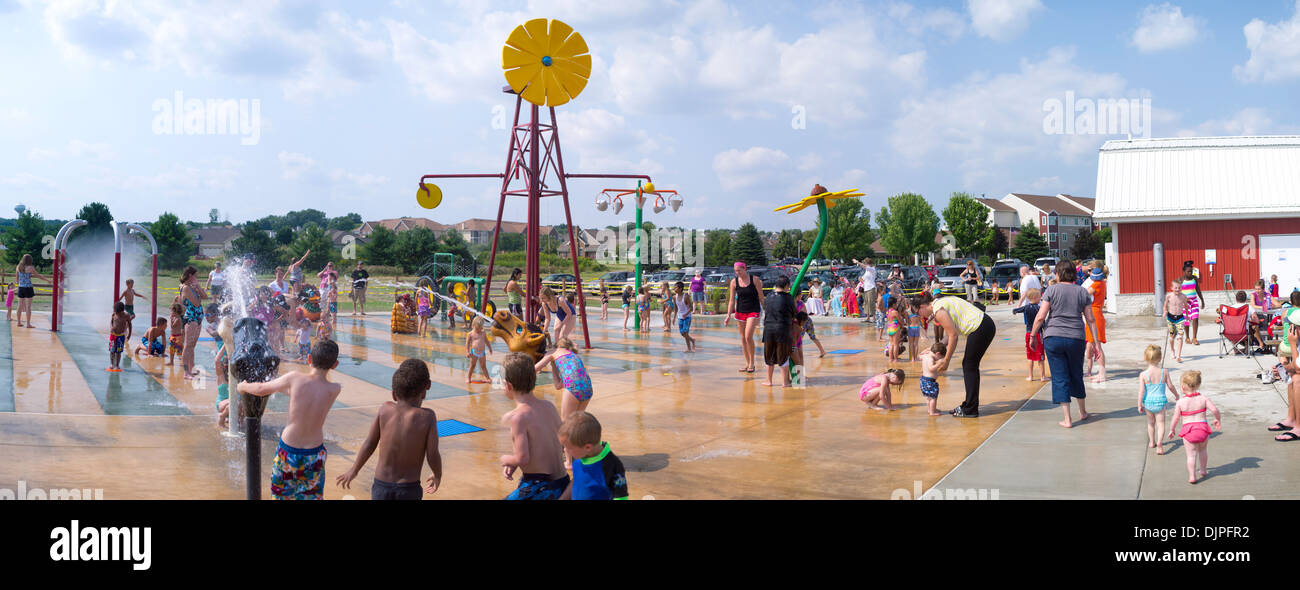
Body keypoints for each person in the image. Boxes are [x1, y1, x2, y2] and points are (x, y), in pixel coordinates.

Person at [238, 339, 342, 500]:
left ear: (309, 359)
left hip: (289, 451)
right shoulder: (334, 389)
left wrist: (243, 386)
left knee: (281, 495)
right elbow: (312, 395)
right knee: (310, 496)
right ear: (335, 365)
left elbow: (260, 389)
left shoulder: (295, 378)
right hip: (314, 454)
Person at [336, 358, 443, 500]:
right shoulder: (427, 417)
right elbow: (432, 454)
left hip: (381, 487)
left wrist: (354, 470)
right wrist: (437, 474)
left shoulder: (385, 409)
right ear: (427, 388)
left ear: (393, 394)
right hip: (409, 489)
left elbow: (369, 444)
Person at [1029, 262, 1100, 428]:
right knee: (1076, 373)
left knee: (1060, 377)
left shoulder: (1051, 290)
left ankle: (1067, 419)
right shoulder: (1082, 291)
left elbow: (1041, 316)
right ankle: (1082, 412)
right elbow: (1090, 319)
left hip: (1053, 338)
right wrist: (1096, 343)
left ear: (1058, 274)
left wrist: (1033, 335)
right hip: (1076, 338)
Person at [911, 293, 996, 418]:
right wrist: (932, 348)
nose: (919, 316)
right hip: (983, 326)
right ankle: (969, 405)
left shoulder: (938, 310)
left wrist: (946, 360)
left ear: (923, 306)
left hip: (980, 328)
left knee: (969, 366)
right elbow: (948, 335)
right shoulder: (939, 305)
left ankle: (971, 409)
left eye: (918, 312)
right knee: (970, 365)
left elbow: (953, 336)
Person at [499, 352, 568, 500]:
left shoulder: (518, 417)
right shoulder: (549, 406)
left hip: (540, 488)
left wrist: (506, 459)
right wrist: (515, 463)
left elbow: (522, 458)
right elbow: (560, 443)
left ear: (508, 385)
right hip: (562, 483)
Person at [558, 412, 628, 501]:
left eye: (568, 448)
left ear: (587, 447)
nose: (564, 450)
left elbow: (621, 497)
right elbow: (578, 480)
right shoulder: (580, 456)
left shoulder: (612, 466)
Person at [1166, 371, 1220, 484]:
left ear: (1182, 387)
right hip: (1203, 429)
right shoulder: (1204, 398)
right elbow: (1214, 410)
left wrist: (1172, 429)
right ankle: (1204, 470)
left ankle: (1192, 476)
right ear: (1198, 384)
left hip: (1188, 431)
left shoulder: (1181, 402)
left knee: (1191, 455)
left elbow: (1175, 418)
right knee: (1203, 450)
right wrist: (1217, 419)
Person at [534, 337, 593, 420]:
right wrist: (553, 365)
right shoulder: (573, 357)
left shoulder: (553, 352)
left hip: (573, 386)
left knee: (565, 423)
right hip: (587, 387)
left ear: (557, 346)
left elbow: (535, 368)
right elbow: (558, 386)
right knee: (576, 423)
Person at [1269, 292, 1300, 440]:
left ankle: (1299, 427)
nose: (1290, 327)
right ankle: (1292, 419)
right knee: (1292, 376)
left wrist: (1293, 344)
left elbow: (1299, 366)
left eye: (1293, 325)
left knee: (1297, 379)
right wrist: (1284, 369)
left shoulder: (1295, 341)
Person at [1138, 344, 1179, 455]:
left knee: (1150, 423)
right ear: (1160, 358)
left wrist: (1139, 404)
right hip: (1160, 403)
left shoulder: (1143, 374)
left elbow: (1141, 391)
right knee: (1160, 424)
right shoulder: (1164, 372)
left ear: (1145, 358)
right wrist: (1176, 395)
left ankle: (1152, 442)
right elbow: (1170, 386)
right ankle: (1160, 444)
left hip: (1148, 403)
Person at [725, 262, 765, 373]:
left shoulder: (755, 280)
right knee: (743, 338)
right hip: (740, 311)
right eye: (735, 271)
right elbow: (732, 300)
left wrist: (767, 310)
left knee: (748, 336)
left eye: (739, 270)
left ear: (745, 268)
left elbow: (761, 297)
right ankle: (747, 363)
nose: (737, 273)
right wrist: (728, 314)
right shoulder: (734, 282)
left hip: (753, 310)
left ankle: (752, 363)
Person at [760, 276, 796, 387]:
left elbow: (766, 310)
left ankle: (769, 381)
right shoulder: (788, 298)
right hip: (783, 330)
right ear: (786, 286)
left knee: (769, 356)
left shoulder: (769, 297)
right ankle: (785, 382)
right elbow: (793, 313)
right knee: (783, 356)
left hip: (768, 330)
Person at [178, 266, 207, 380]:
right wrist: (198, 288)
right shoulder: (185, 287)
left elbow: (205, 296)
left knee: (192, 345)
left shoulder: (191, 286)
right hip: (191, 319)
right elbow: (196, 303)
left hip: (198, 318)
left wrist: (198, 289)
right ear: (190, 275)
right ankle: (186, 372)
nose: (197, 278)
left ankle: (191, 368)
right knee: (188, 345)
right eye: (196, 276)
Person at [1012, 288, 1047, 382]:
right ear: (1035, 297)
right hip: (1037, 334)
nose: (1041, 298)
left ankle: (1030, 376)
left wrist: (1014, 311)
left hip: (1028, 333)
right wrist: (1045, 329)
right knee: (1040, 356)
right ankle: (1042, 377)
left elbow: (1016, 310)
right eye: (1040, 296)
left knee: (1030, 356)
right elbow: (1041, 320)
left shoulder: (1026, 307)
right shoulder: (1038, 308)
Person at [1083, 265, 1108, 382]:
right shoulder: (1102, 283)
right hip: (1094, 313)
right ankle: (1100, 372)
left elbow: (1085, 294)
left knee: (1097, 346)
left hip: (1095, 314)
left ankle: (1102, 374)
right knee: (1093, 345)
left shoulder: (1096, 284)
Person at [13, 254, 47, 329]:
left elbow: (17, 279)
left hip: (21, 287)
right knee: (28, 307)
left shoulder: (18, 267)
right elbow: (38, 276)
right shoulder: (30, 268)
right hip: (28, 288)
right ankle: (28, 324)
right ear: (30, 260)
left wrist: (19, 284)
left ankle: (18, 322)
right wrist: (47, 280)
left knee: (19, 305)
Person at [1164, 281, 1188, 363]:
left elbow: (1186, 306)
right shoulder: (1169, 296)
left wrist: (1187, 316)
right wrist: (1164, 311)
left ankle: (1178, 356)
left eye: (1179, 288)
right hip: (1170, 318)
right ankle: (1172, 350)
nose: (1178, 289)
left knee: (1180, 336)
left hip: (1180, 318)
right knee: (1171, 337)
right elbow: (1165, 306)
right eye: (1176, 288)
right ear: (1172, 288)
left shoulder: (1183, 296)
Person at [919, 341, 945, 416]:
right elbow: (931, 368)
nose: (939, 359)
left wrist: (926, 350)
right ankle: (932, 412)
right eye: (940, 357)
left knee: (928, 398)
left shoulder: (925, 355)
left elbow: (919, 355)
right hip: (930, 382)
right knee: (933, 397)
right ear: (937, 353)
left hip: (924, 380)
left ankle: (930, 409)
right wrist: (938, 364)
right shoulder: (931, 359)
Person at [1180, 266, 1204, 345]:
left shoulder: (1195, 279)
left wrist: (1202, 300)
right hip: (1185, 303)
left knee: (1195, 318)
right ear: (1184, 271)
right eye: (1188, 271)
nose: (1190, 273)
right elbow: (1177, 292)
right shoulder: (1181, 280)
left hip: (1194, 301)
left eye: (1191, 271)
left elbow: (1198, 290)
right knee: (1186, 320)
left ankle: (1194, 338)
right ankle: (1187, 337)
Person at [466, 317, 492, 384]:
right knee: (472, 365)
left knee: (483, 366)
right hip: (474, 352)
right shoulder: (470, 334)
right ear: (473, 325)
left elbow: (486, 341)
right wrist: (467, 352)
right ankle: (468, 378)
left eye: (480, 328)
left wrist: (490, 348)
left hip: (482, 353)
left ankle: (488, 378)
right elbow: (468, 343)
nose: (479, 330)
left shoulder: (483, 332)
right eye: (477, 328)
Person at [853, 258, 877, 323]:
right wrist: (860, 278)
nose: (864, 264)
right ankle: (868, 318)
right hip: (866, 288)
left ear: (868, 263)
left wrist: (857, 262)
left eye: (865, 263)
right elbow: (863, 278)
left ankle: (874, 318)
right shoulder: (867, 271)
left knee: (871, 302)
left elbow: (864, 266)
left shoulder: (872, 269)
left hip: (871, 288)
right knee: (866, 303)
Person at [673, 281, 695, 352]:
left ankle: (689, 348)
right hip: (680, 317)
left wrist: (686, 314)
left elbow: (691, 308)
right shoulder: (674, 297)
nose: (674, 289)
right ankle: (692, 340)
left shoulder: (685, 297)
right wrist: (674, 318)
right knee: (682, 333)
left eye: (675, 287)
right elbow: (676, 308)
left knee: (685, 333)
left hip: (687, 317)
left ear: (680, 288)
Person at [107, 302, 129, 372]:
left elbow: (130, 324)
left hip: (121, 336)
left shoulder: (126, 315)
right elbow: (111, 321)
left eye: (119, 313)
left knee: (118, 351)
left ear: (122, 311)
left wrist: (129, 334)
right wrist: (111, 327)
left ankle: (117, 365)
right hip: (113, 336)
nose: (117, 314)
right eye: (116, 312)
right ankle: (111, 364)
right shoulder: (114, 314)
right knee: (112, 350)